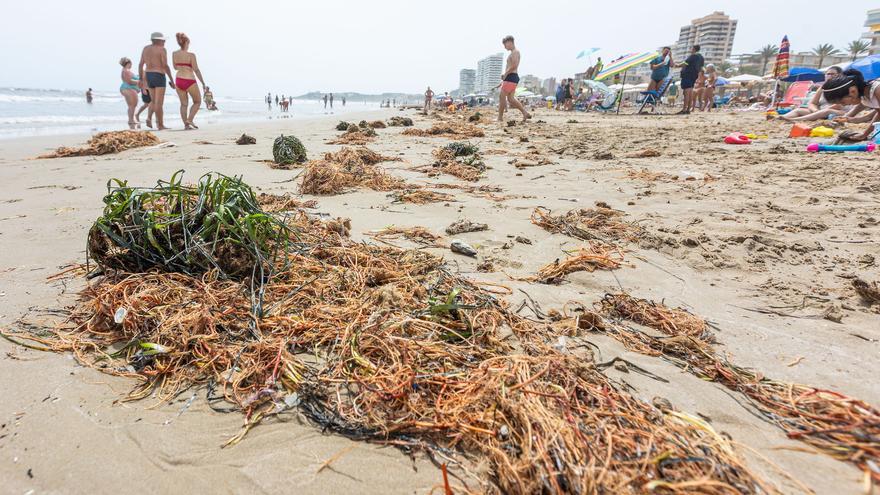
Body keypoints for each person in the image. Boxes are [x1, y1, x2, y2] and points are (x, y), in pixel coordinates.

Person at [821, 69, 880, 141]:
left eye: (842, 102)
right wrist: (864, 134)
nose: (844, 105)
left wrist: (859, 122)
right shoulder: (866, 94)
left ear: (853, 91)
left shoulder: (877, 90)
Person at [138, 32, 176, 130]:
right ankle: (160, 125)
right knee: (159, 103)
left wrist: (141, 80)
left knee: (154, 102)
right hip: (159, 75)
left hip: (148, 75)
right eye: (163, 40)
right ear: (158, 40)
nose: (164, 42)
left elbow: (140, 64)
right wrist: (172, 79)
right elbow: (165, 65)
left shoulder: (145, 49)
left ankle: (151, 119)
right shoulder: (162, 49)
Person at [781, 66, 847, 121]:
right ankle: (781, 118)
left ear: (840, 75)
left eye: (833, 74)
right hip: (820, 111)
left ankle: (795, 120)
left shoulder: (842, 87)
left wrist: (821, 111)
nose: (830, 76)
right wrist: (815, 110)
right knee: (798, 110)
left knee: (827, 111)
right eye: (828, 74)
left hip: (838, 112)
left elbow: (839, 105)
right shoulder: (822, 88)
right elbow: (812, 103)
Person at [171, 32, 206, 130]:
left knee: (183, 104)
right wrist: (203, 83)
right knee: (197, 101)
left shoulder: (174, 54)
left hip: (178, 80)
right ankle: (190, 119)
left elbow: (175, 67)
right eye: (188, 43)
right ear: (186, 42)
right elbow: (196, 70)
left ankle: (186, 125)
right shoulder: (191, 55)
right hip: (189, 80)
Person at [497, 35, 530, 122]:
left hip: (511, 77)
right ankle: (525, 113)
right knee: (511, 99)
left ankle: (500, 118)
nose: (504, 47)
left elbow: (514, 65)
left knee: (502, 96)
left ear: (510, 42)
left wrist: (505, 74)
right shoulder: (513, 53)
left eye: (505, 44)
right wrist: (503, 79)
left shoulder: (515, 52)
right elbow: (511, 66)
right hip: (511, 77)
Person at [676, 44, 704, 115]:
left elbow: (685, 63)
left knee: (686, 93)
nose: (690, 49)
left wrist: (677, 65)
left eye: (691, 48)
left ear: (693, 49)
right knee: (690, 92)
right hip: (694, 76)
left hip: (687, 75)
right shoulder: (701, 57)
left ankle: (684, 109)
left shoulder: (693, 56)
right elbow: (701, 68)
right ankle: (688, 109)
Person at [119, 58, 141, 129]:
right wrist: (139, 81)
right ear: (128, 63)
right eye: (131, 63)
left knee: (131, 105)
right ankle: (131, 120)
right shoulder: (127, 70)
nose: (131, 65)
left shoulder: (124, 70)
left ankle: (130, 120)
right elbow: (129, 81)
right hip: (128, 88)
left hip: (126, 88)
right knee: (133, 105)